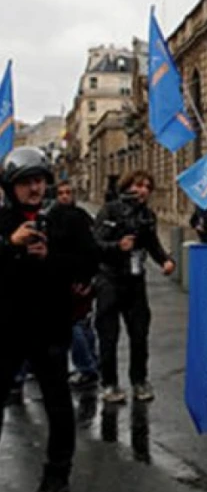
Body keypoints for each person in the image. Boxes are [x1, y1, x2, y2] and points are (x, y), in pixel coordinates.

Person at [0, 147, 98, 492]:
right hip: (8, 328)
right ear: (11, 186)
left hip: (50, 329)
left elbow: (88, 264)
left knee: (58, 404)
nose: (34, 189)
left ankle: (57, 474)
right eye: (26, 182)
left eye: (39, 181)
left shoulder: (66, 219)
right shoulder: (3, 222)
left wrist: (51, 257)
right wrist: (11, 245)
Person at [93, 170, 175, 404]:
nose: (143, 190)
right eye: (138, 185)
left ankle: (139, 380)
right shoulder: (110, 210)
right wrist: (117, 246)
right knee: (108, 336)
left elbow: (152, 243)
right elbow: (96, 243)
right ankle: (109, 383)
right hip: (109, 279)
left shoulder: (147, 215)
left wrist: (166, 260)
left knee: (139, 334)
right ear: (127, 186)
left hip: (135, 280)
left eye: (147, 187)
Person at [55, 180, 99, 390]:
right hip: (66, 278)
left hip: (76, 279)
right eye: (61, 193)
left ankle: (86, 367)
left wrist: (87, 278)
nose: (64, 196)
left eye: (68, 193)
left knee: (75, 324)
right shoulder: (53, 217)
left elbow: (91, 249)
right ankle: (92, 362)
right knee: (82, 323)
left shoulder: (79, 217)